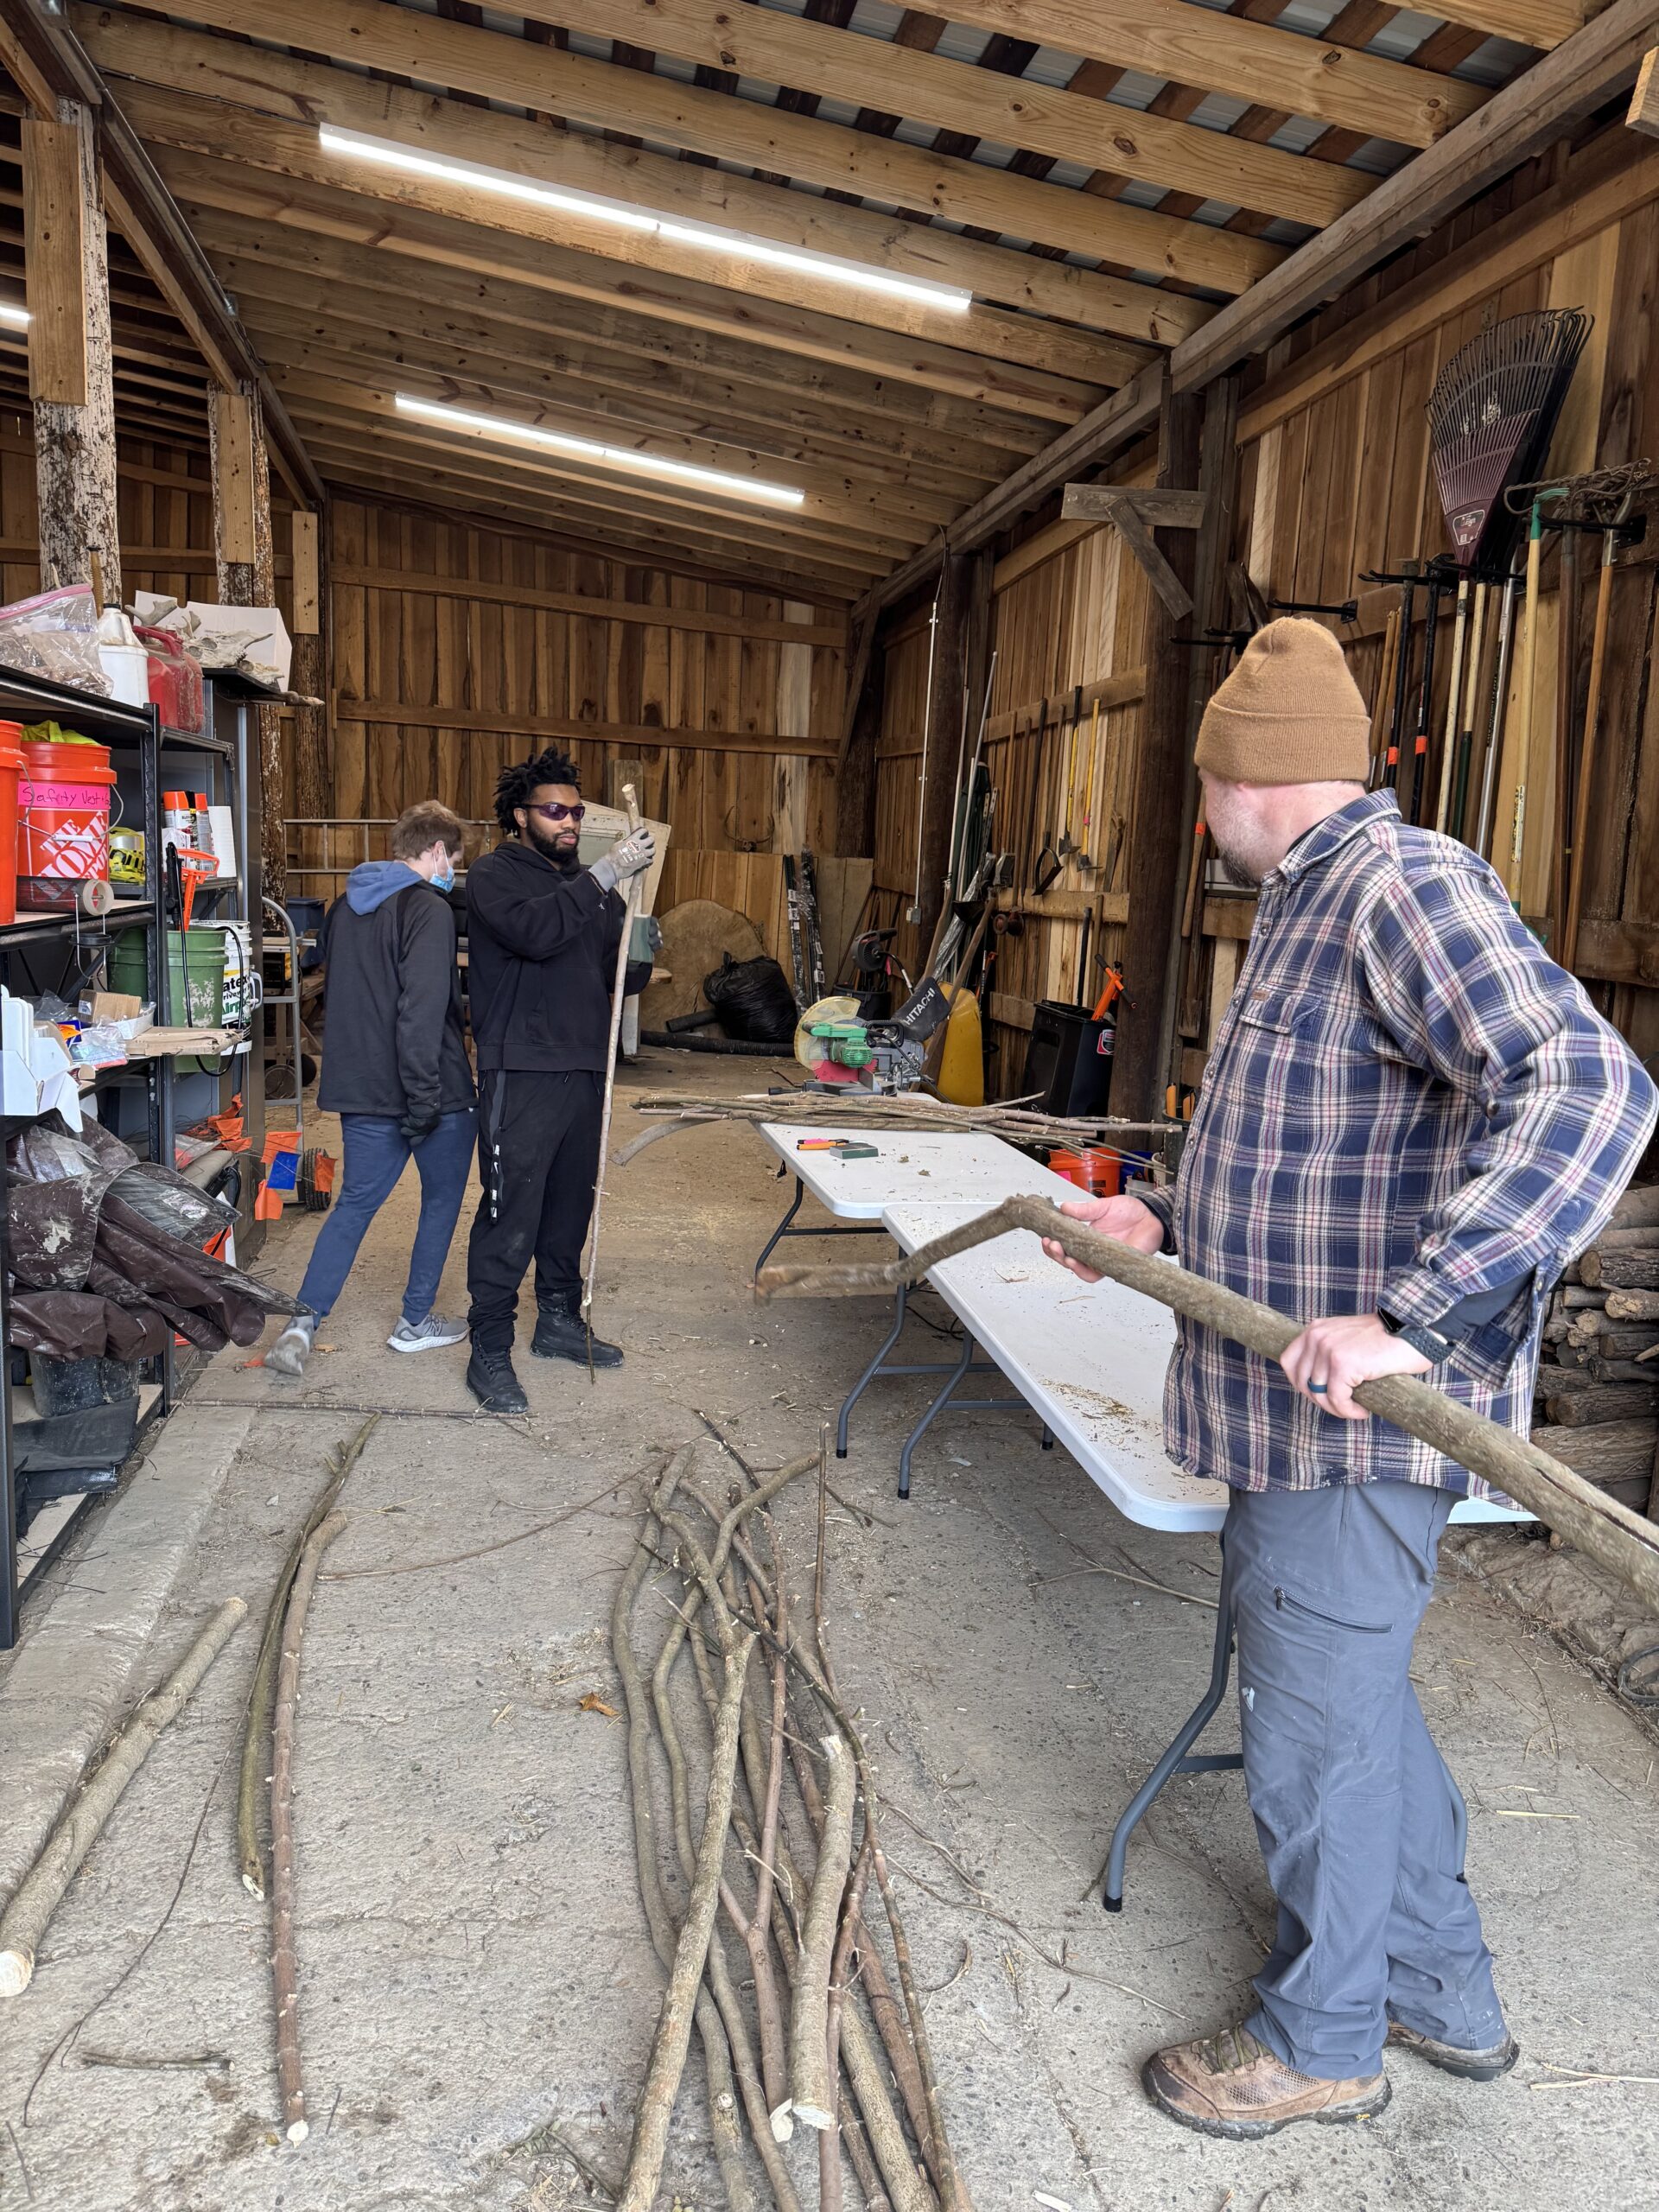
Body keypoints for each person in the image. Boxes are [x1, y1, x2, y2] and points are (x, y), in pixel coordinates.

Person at [1046, 619, 1657, 2142]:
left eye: (1200, 785)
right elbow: (1307, 1156)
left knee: (1316, 1727)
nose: (1198, 813)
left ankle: (1323, 2041)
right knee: (1357, 1703)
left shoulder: (1401, 884)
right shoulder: (1313, 908)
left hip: (1350, 1430)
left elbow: (1595, 1088)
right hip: (1287, 1408)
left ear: (1242, 781)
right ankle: (1441, 1993)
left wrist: (1415, 1316)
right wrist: (1160, 1219)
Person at [462, 747, 656, 1414]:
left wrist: (642, 941)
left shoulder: (593, 893)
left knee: (570, 1205)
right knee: (509, 1210)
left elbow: (613, 978)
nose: (569, 821)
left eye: (576, 812)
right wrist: (605, 875)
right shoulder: (494, 877)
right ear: (521, 816)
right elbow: (537, 934)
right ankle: (488, 1346)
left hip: (583, 1066)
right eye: (555, 811)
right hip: (522, 1066)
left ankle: (557, 1322)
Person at [266, 802, 475, 1379]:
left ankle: (301, 1324)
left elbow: (353, 1000)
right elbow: (421, 1010)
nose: (453, 872)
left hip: (360, 1089)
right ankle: (414, 1322)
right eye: (455, 860)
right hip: (428, 1089)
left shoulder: (344, 907)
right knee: (439, 1203)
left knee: (354, 1205)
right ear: (436, 852)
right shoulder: (428, 910)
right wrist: (425, 1097)